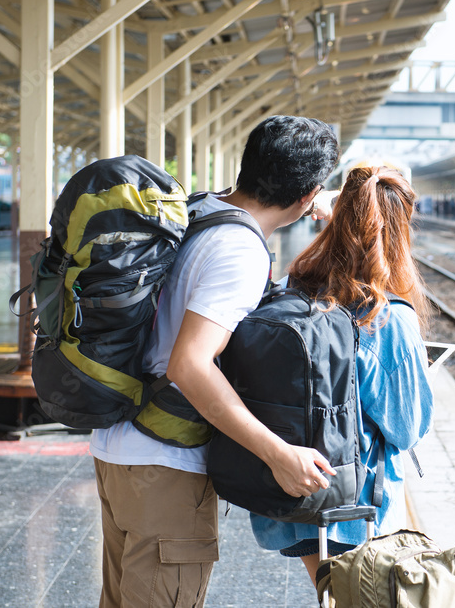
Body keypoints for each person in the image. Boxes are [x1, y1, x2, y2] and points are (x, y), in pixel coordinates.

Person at [89, 115, 340, 608]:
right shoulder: (240, 249)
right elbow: (190, 366)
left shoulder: (199, 209)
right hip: (165, 462)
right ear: (309, 195)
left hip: (119, 446)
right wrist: (278, 454)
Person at [250, 164, 435, 586]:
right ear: (402, 230)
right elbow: (406, 429)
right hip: (354, 507)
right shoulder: (387, 317)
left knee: (329, 593)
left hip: (289, 494)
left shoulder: (293, 286)